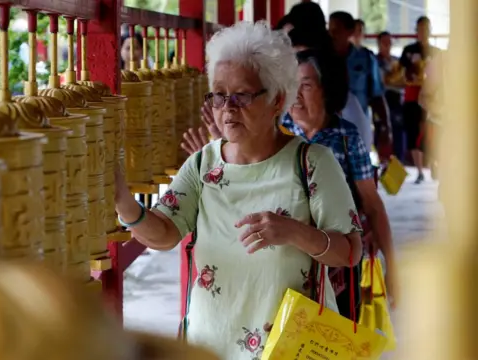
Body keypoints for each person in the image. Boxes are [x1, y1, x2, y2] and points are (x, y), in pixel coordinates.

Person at [115, 22, 362, 360]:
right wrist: (124, 204)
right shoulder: (203, 165)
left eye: (242, 96)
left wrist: (296, 232)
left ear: (276, 99)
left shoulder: (312, 163)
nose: (227, 108)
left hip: (289, 348)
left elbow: (350, 252)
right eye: (218, 94)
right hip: (209, 346)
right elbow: (164, 232)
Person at [181, 44, 396, 319]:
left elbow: (372, 203)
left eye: (304, 86)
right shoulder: (274, 134)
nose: (295, 96)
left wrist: (393, 266)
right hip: (279, 271)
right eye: (291, 87)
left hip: (336, 263)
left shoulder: (345, 137)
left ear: (324, 89)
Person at [329, 12, 392, 158]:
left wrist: (385, 127)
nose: (332, 34)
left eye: (336, 29)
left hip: (357, 127)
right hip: (329, 129)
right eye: (330, 29)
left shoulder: (365, 58)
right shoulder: (322, 59)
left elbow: (377, 96)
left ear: (349, 32)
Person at [400, 16, 439, 184]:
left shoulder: (436, 52)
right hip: (412, 97)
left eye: (426, 28)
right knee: (413, 132)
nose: (423, 32)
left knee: (432, 132)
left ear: (430, 31)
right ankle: (420, 171)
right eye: (420, 28)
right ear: (416, 31)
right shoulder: (408, 50)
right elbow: (399, 73)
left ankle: (434, 163)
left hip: (432, 99)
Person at [377, 31, 406, 161]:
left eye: (389, 42)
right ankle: (382, 161)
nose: (387, 45)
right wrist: (391, 81)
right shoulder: (374, 61)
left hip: (396, 100)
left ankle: (397, 162)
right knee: (382, 130)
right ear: (379, 44)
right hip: (381, 99)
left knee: (398, 131)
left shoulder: (397, 61)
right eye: (384, 42)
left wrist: (391, 81)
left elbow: (404, 81)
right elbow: (382, 82)